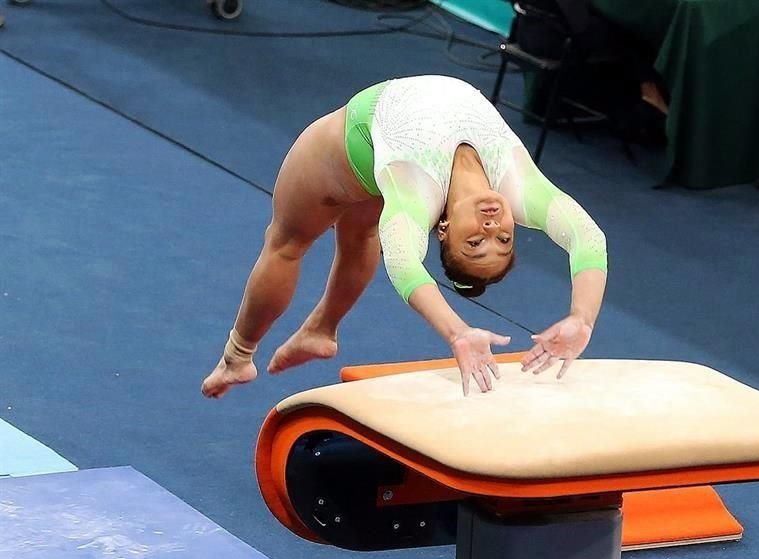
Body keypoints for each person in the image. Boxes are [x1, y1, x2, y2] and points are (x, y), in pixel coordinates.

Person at [201, 75, 607, 398]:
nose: (492, 229)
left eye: (475, 243)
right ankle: (322, 329)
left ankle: (239, 358)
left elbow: (404, 264)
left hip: (344, 150)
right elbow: (588, 237)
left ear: (443, 229)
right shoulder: (518, 189)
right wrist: (582, 318)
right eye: (503, 241)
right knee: (358, 234)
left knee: (285, 245)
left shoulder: (417, 192)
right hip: (379, 149)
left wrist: (458, 332)